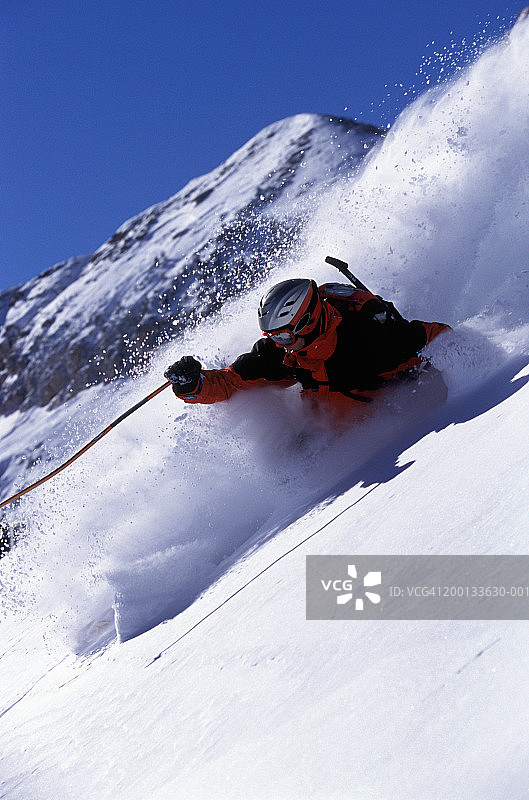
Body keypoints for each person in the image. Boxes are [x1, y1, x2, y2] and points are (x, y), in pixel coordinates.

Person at [164, 277, 450, 418]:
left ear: (307, 322)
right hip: (326, 437)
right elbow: (232, 382)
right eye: (271, 336)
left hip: (391, 426)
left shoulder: (369, 340)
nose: (278, 345)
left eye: (283, 336)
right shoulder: (286, 353)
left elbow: (441, 340)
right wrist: (192, 385)